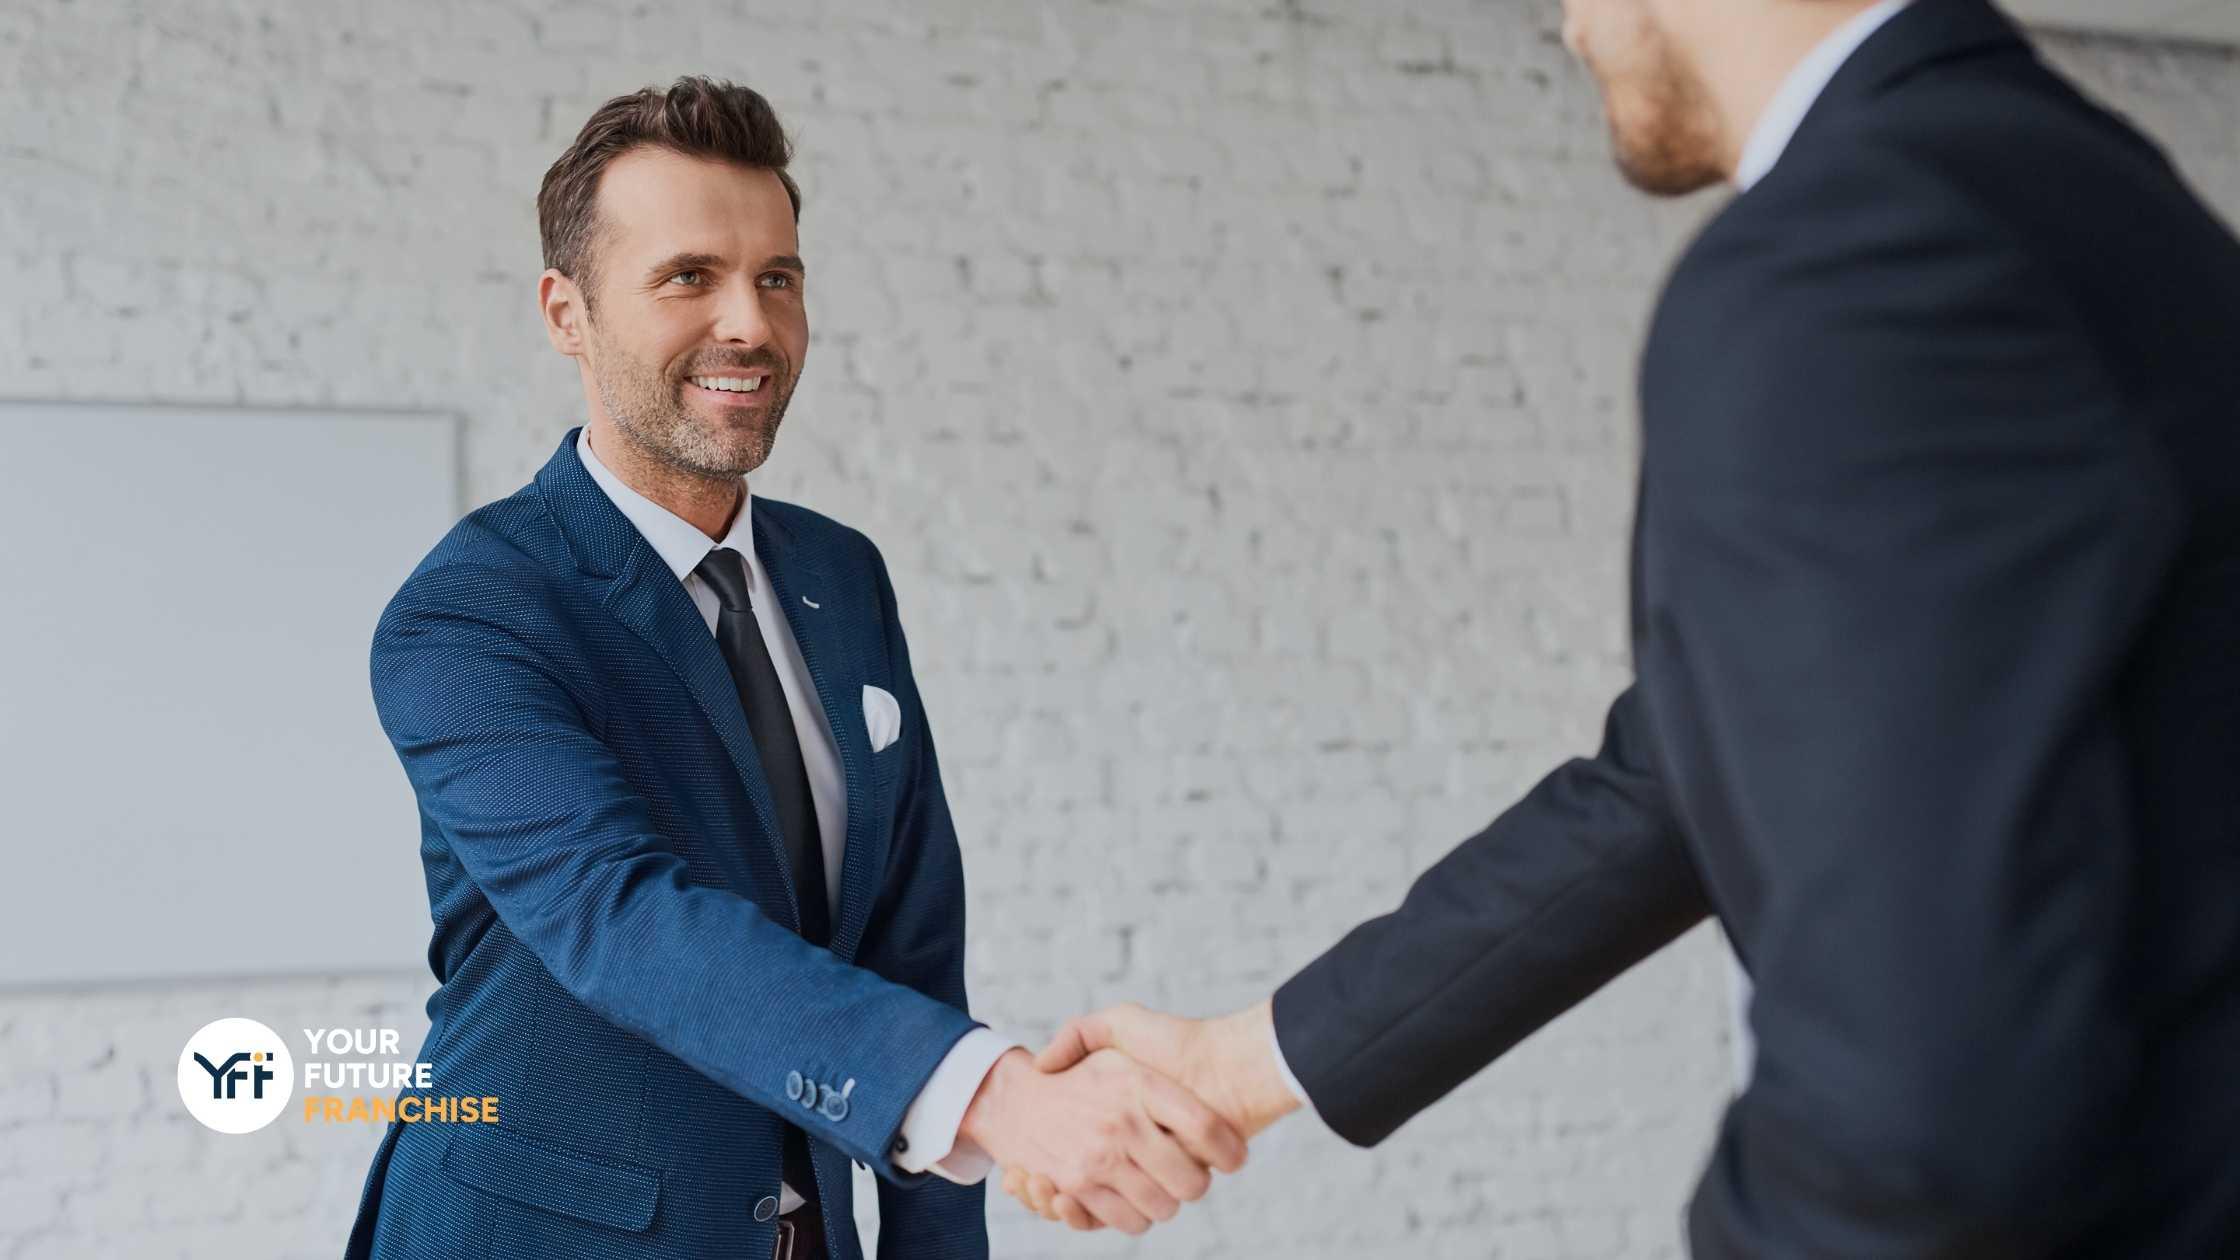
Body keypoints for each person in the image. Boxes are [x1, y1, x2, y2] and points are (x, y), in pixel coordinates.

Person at [1016, 0, 2240, 1253]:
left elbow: (1924, 1075)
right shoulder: (2101, 198)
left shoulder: (1845, 265)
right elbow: (1669, 777)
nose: (1570, 28)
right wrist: (1243, 1064)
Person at [345, 77, 1243, 1260]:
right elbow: (624, 920)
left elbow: (913, 944)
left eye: (777, 277)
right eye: (687, 277)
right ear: (567, 313)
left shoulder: (840, 575)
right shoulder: (473, 612)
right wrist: (1001, 1098)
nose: (750, 325)